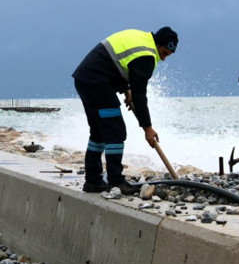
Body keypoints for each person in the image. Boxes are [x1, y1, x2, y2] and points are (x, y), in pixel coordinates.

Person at [73, 27, 178, 194]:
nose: (164, 58)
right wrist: (147, 128)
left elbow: (115, 63)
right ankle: (116, 182)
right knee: (115, 131)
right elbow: (140, 96)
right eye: (164, 53)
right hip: (97, 83)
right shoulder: (147, 55)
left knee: (99, 133)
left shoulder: (141, 38)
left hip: (85, 79)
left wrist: (125, 90)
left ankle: (93, 181)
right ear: (158, 45)